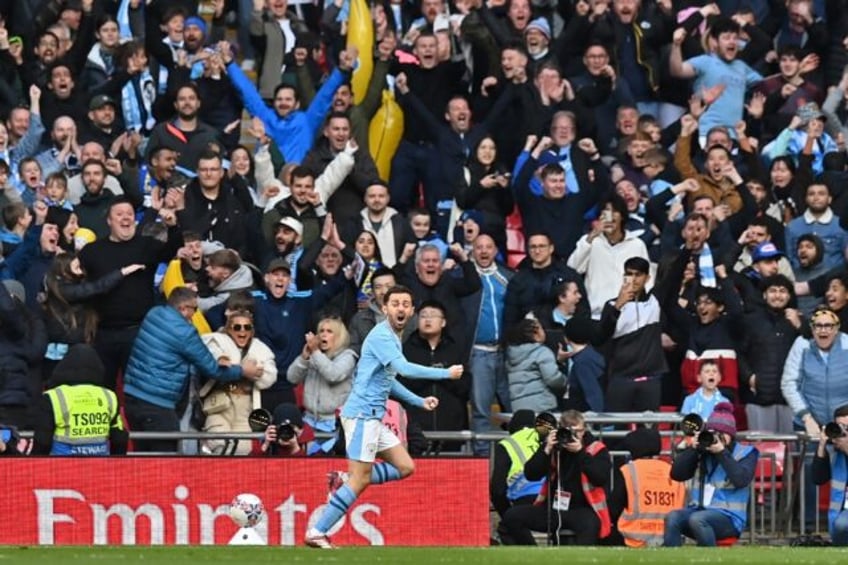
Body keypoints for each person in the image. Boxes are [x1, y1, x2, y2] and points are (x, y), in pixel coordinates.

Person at [304, 285, 464, 549]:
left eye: (405, 304)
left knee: (406, 467)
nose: (401, 308)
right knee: (361, 480)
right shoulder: (381, 337)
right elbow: (403, 369)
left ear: (411, 311)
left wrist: (419, 401)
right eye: (395, 303)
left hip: (373, 419)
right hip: (361, 417)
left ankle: (346, 480)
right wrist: (445, 373)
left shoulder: (393, 337)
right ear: (386, 308)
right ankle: (317, 531)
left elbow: (389, 381)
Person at [123, 287, 263, 453]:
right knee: (163, 463)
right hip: (158, 405)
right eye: (194, 309)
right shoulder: (185, 333)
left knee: (141, 458)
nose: (195, 314)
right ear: (183, 309)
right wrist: (242, 371)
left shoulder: (154, 313)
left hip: (132, 397)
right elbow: (213, 369)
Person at [499, 410, 612, 546]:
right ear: (560, 429)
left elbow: (600, 477)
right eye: (570, 431)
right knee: (512, 516)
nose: (575, 436)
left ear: (584, 430)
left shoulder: (595, 449)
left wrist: (580, 452)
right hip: (554, 508)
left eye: (579, 431)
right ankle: (534, 555)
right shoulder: (555, 447)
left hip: (583, 509)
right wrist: (546, 449)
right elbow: (531, 474)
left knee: (591, 525)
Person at [663, 402, 759, 547]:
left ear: (731, 435)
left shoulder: (745, 453)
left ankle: (709, 558)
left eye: (722, 434)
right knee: (673, 517)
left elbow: (741, 480)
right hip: (698, 510)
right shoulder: (702, 451)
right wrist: (693, 450)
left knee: (698, 519)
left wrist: (722, 452)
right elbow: (677, 475)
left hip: (729, 518)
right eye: (713, 433)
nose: (717, 437)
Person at [200, 310, 277, 455]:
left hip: (245, 408)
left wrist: (255, 372)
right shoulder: (218, 341)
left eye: (247, 327)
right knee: (219, 443)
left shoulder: (260, 349)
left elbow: (269, 377)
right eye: (237, 327)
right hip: (219, 405)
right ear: (229, 329)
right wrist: (236, 366)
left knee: (243, 449)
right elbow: (209, 351)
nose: (242, 331)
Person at [31, 344, 128, 455]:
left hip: (62, 467)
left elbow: (43, 441)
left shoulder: (54, 397)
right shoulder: (109, 396)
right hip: (100, 467)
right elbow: (119, 438)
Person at [286, 316, 357, 433]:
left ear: (339, 337)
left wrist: (315, 352)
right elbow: (292, 378)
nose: (324, 335)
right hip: (308, 420)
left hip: (334, 422)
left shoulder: (348, 356)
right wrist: (304, 358)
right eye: (321, 331)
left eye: (329, 331)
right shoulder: (314, 355)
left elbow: (333, 375)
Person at [616, 428, 685, 548]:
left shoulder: (629, 471)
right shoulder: (674, 471)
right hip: (670, 538)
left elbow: (614, 507)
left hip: (634, 539)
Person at [490, 410, 548, 519]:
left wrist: (506, 514)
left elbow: (498, 488)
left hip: (524, 497)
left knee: (510, 528)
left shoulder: (507, 444)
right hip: (554, 497)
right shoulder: (548, 437)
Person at [811, 404, 848, 546]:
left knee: (842, 525)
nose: (842, 432)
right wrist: (821, 446)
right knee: (841, 525)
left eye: (847, 428)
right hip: (843, 510)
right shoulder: (834, 451)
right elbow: (818, 479)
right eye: (839, 427)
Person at [250, 403, 315, 457]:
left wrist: (295, 448)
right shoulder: (269, 442)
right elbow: (250, 467)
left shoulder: (310, 444)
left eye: (291, 427)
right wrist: (265, 445)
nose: (286, 431)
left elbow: (308, 469)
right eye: (282, 427)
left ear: (301, 429)